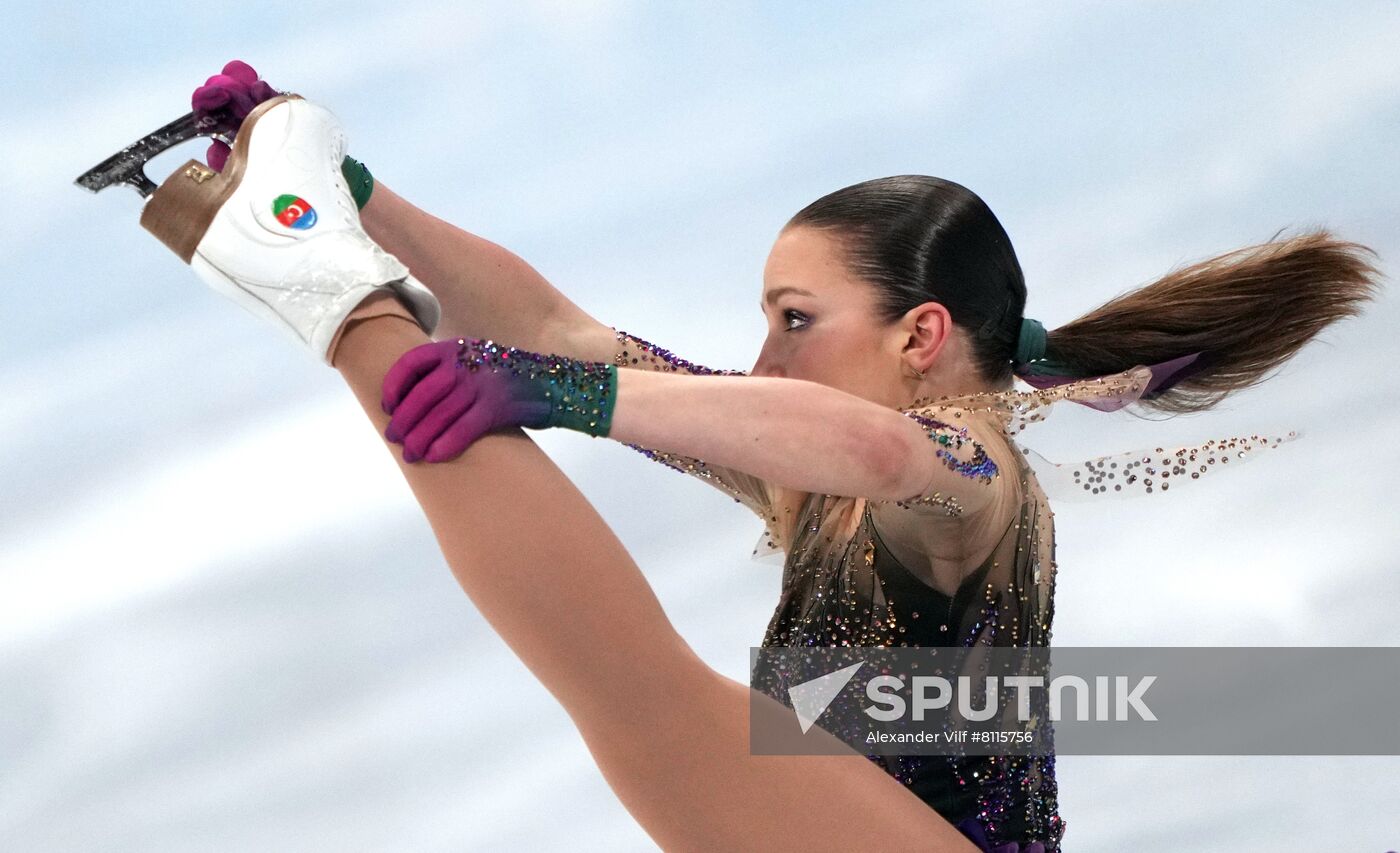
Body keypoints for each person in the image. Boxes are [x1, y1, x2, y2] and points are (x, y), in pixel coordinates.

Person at [158, 63, 1380, 852]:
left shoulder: (975, 476)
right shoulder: (814, 471)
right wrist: (362, 193)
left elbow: (860, 440)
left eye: (795, 320)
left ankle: (320, 286)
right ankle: (317, 260)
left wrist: (564, 395)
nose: (761, 352)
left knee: (644, 692)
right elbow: (557, 329)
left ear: (920, 336)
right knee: (643, 695)